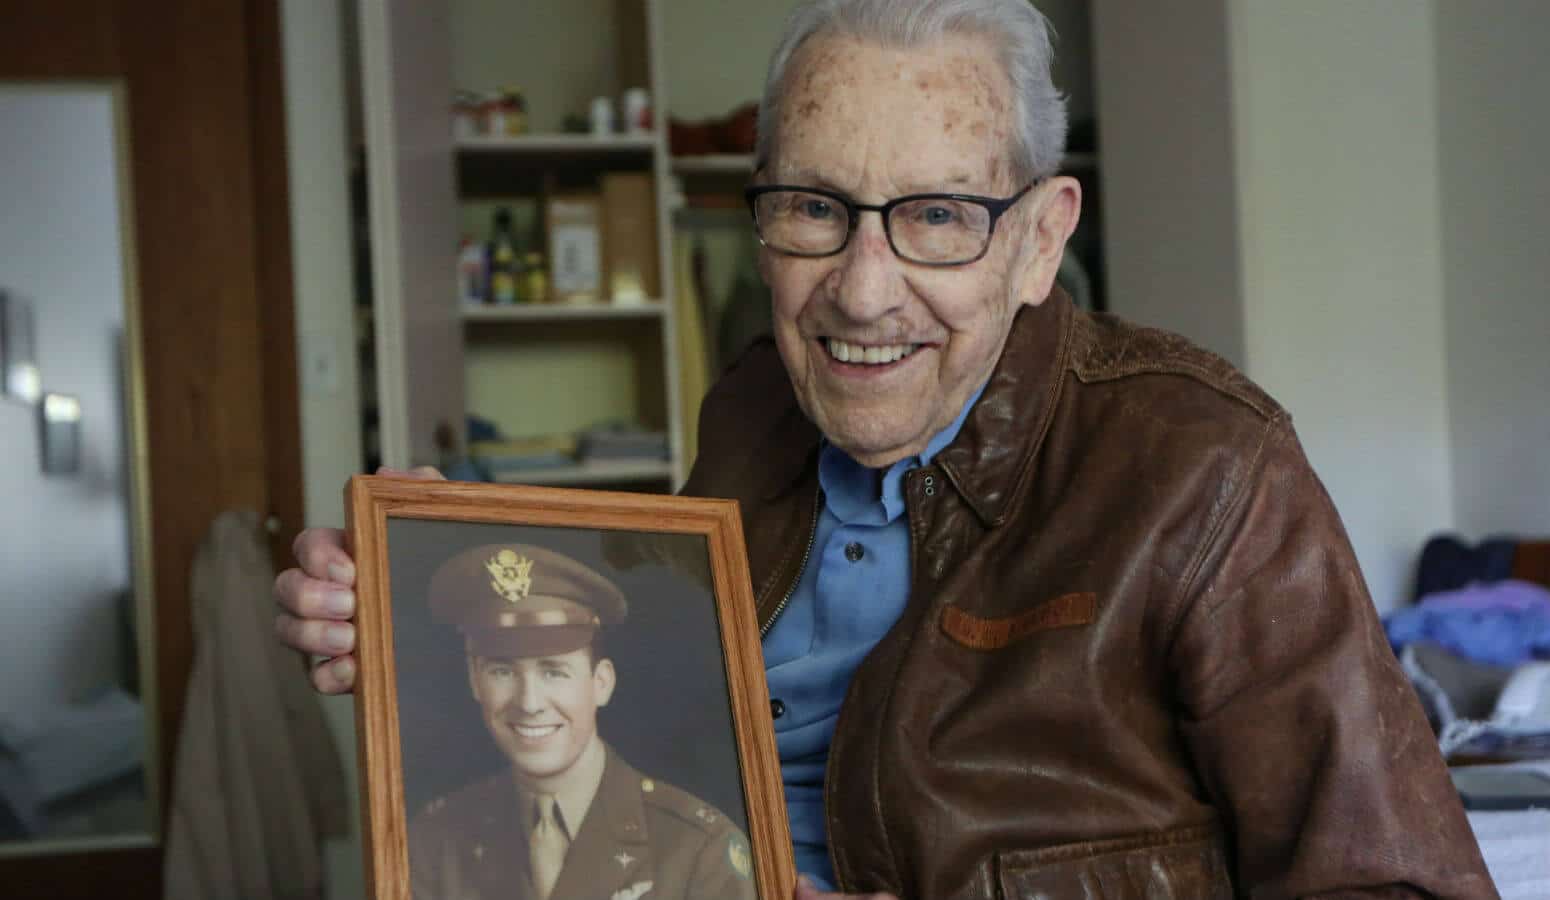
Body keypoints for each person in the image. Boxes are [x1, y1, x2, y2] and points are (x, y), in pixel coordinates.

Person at [276, 1, 1496, 897]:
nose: (861, 295)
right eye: (812, 207)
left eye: (936, 218)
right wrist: (428, 603)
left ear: (1035, 240)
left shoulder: (1203, 469)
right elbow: (655, 700)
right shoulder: (756, 406)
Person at [405, 542, 754, 900]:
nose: (529, 703)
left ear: (600, 683)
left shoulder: (697, 848)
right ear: (474, 681)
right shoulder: (435, 843)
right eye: (502, 670)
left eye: (554, 672)